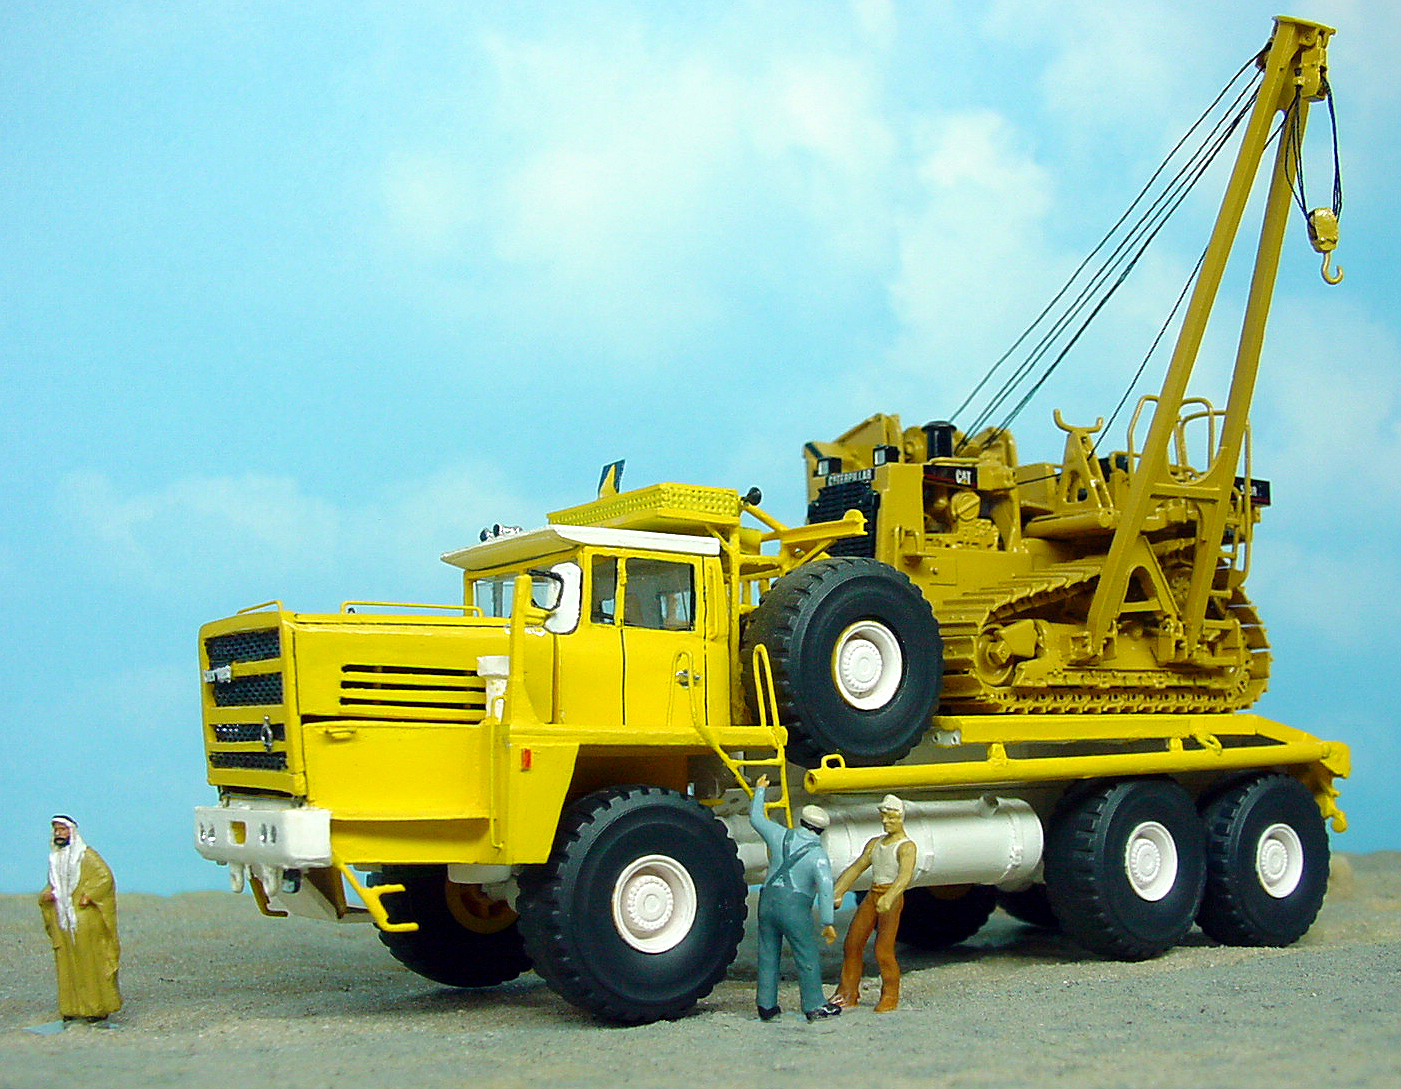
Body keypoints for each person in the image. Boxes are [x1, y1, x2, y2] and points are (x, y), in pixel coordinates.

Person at [749, 774, 842, 1022]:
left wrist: (760, 791)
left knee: (767, 952)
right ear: (821, 830)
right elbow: (825, 887)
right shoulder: (818, 856)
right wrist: (827, 922)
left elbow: (756, 818)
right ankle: (813, 1004)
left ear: (802, 821)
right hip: (795, 907)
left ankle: (766, 1005)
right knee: (805, 954)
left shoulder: (779, 835)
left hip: (767, 901)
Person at [829, 794, 916, 1013]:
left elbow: (904, 877)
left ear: (901, 818)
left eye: (891, 818)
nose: (886, 821)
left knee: (882, 950)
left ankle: (889, 994)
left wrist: (890, 897)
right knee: (852, 943)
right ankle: (847, 992)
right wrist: (838, 891)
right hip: (872, 895)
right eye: (884, 817)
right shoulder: (875, 843)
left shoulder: (906, 847)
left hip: (890, 898)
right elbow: (856, 867)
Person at [38, 815, 121, 1022]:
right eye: (56, 830)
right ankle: (70, 1007)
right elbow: (55, 885)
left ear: (71, 832)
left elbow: (104, 878)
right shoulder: (55, 858)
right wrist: (46, 895)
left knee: (90, 963)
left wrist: (89, 895)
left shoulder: (86, 856)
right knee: (67, 964)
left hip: (84, 920)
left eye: (62, 830)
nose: (59, 834)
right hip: (63, 919)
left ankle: (95, 1007)